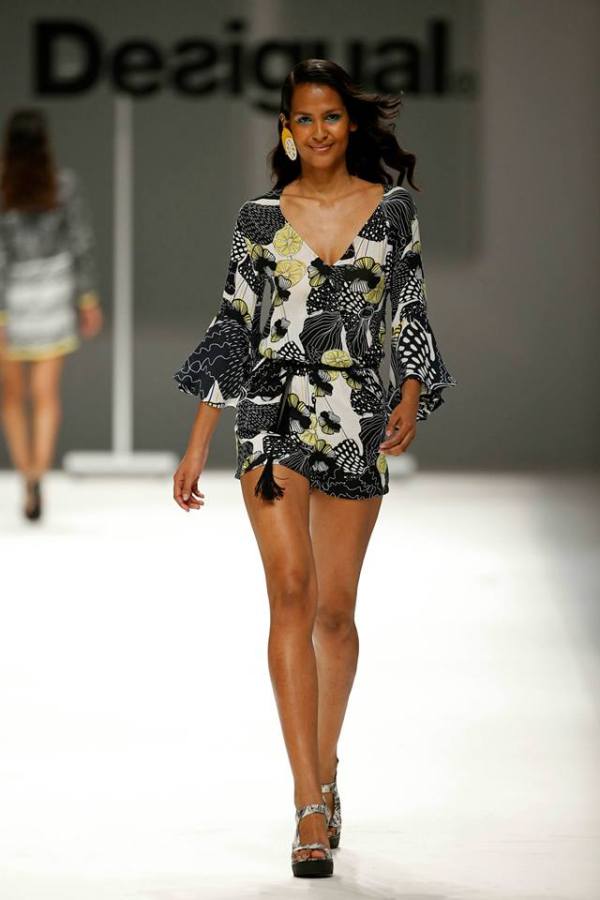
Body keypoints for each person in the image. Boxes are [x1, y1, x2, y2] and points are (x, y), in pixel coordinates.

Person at [172, 59, 457, 878]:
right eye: (306, 117)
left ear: (350, 123)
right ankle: (305, 802)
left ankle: (326, 772)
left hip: (356, 411)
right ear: (287, 129)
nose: (320, 130)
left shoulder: (392, 209)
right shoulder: (260, 219)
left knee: (334, 613)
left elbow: (409, 306)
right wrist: (198, 439)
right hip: (270, 409)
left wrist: (409, 391)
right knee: (290, 592)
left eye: (332, 116)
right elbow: (234, 322)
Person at [0, 108, 103, 520]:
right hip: (54, 290)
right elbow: (80, 242)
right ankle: (37, 474)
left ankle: (28, 475)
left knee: (12, 396)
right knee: (45, 394)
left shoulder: (4, 187)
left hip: (10, 295)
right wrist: (87, 298)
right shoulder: (63, 185)